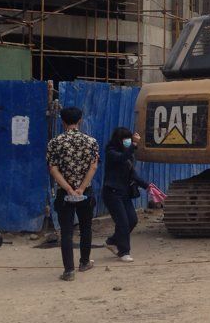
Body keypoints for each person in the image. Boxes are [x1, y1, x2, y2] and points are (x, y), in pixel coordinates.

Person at [47, 106, 99, 281]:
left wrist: (68, 189)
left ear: (62, 121)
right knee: (85, 228)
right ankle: (84, 262)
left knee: (67, 231)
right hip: (86, 192)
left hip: (64, 193)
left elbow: (53, 169)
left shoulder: (55, 142)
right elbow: (93, 167)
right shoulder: (91, 141)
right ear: (80, 120)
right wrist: (82, 188)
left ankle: (69, 270)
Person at [103, 127, 150, 263]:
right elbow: (122, 157)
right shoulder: (111, 153)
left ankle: (112, 241)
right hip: (112, 193)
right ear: (118, 140)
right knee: (123, 222)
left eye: (129, 139)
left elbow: (133, 176)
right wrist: (134, 145)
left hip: (124, 194)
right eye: (126, 139)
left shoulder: (128, 156)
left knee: (132, 220)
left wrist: (148, 186)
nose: (128, 141)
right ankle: (124, 251)